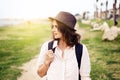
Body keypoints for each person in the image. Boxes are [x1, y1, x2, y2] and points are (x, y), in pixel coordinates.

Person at [36, 11, 91, 80]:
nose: (53, 30)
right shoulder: (47, 46)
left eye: (56, 26)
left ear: (65, 28)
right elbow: (40, 74)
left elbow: (85, 77)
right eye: (52, 26)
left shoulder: (81, 49)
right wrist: (46, 63)